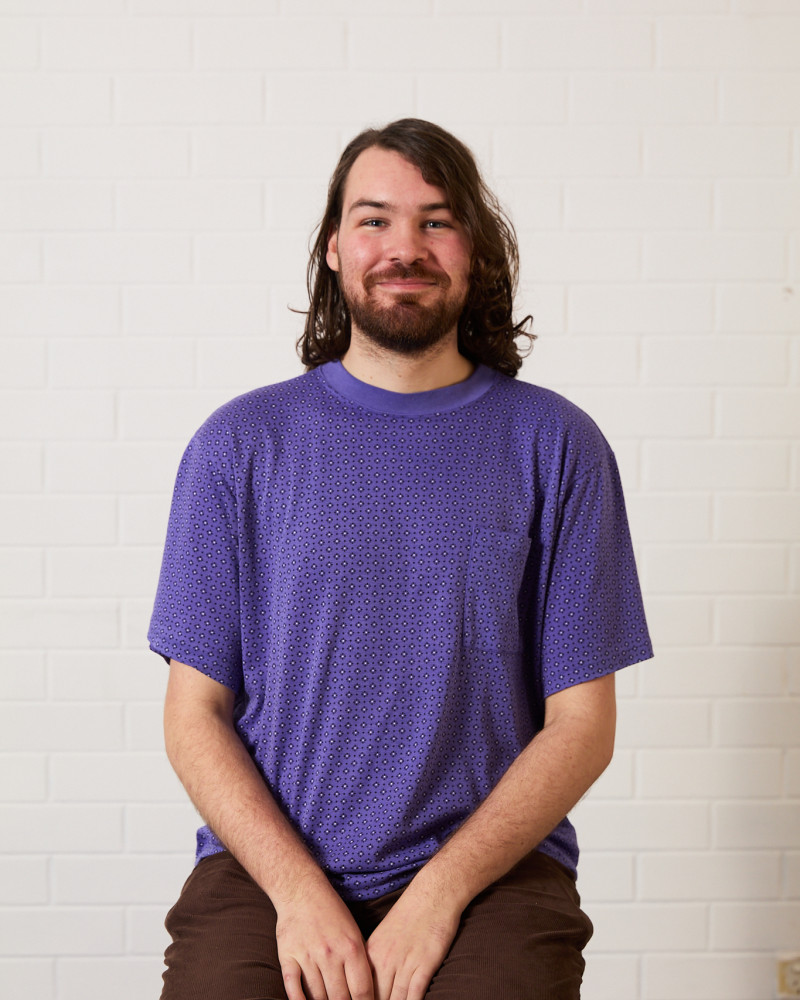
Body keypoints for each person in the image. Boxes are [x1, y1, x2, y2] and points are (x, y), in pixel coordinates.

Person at [148, 117, 652, 1000]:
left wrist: (441, 893)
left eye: (437, 220)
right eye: (374, 219)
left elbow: (583, 728)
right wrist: (298, 893)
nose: (404, 247)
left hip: (491, 876)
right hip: (269, 874)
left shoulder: (557, 446)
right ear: (335, 249)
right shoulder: (238, 447)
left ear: (478, 253)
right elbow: (195, 716)